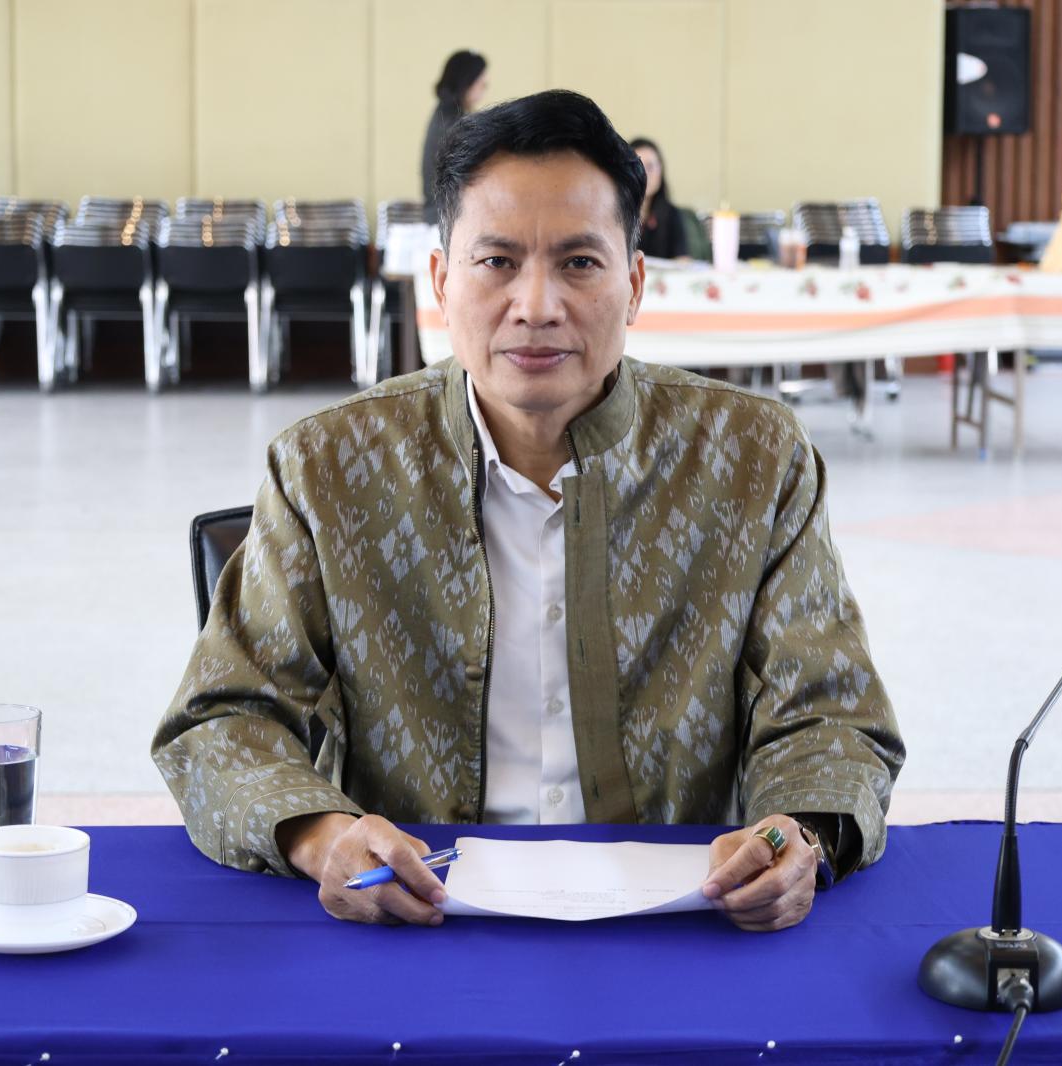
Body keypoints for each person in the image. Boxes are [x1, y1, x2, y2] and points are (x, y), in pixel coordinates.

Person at [152, 90, 904, 934]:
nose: (537, 305)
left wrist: (792, 833)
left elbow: (831, 714)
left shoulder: (754, 457)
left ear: (635, 284)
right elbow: (223, 720)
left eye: (579, 262)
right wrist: (324, 837)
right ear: (441, 282)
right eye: (497, 261)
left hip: (679, 926)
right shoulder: (327, 467)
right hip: (415, 919)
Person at [421, 50, 488, 223]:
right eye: (481, 83)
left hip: (441, 213)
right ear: (467, 83)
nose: (485, 87)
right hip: (446, 217)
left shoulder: (444, 114)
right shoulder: (453, 124)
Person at [630, 136, 689, 260]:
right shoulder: (616, 212)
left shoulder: (672, 214)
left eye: (650, 167)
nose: (645, 174)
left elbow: (683, 261)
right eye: (638, 166)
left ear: (660, 170)